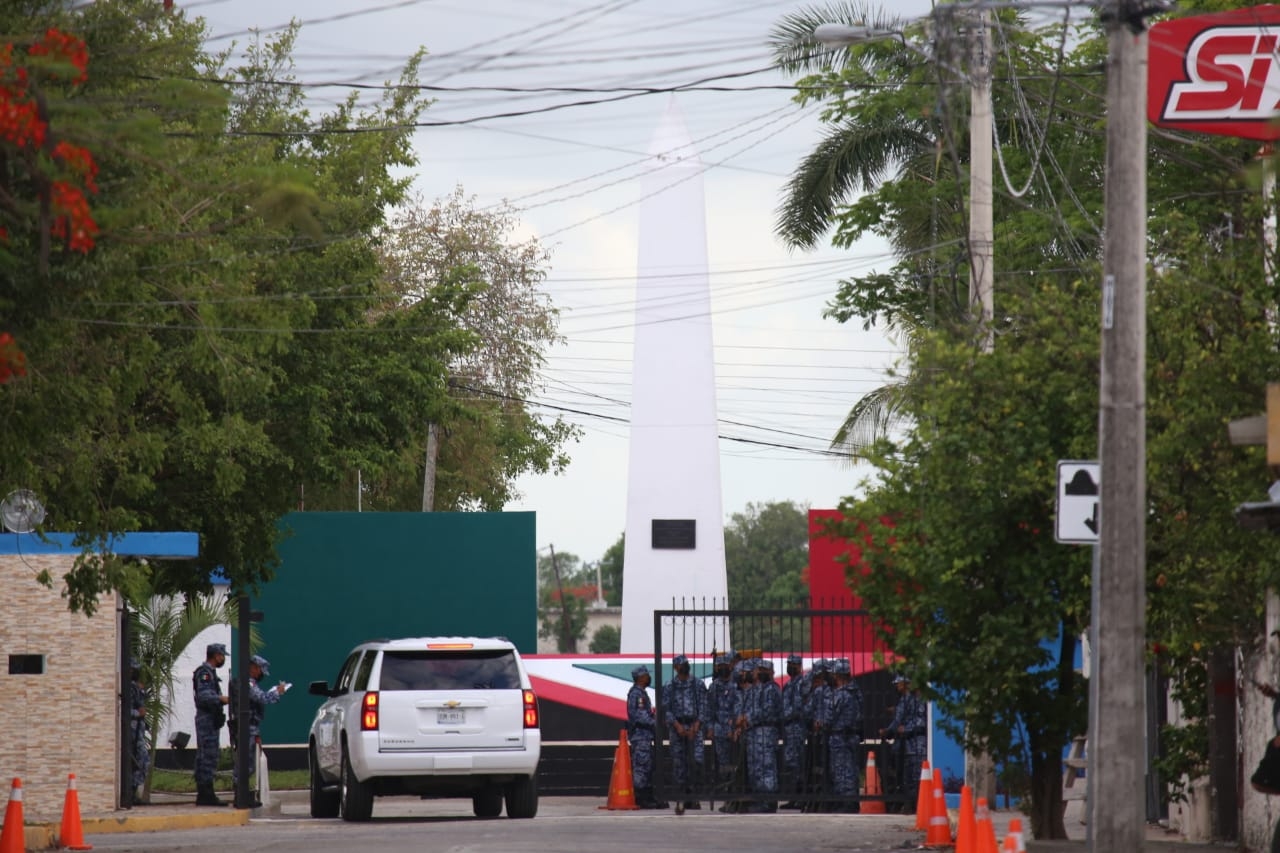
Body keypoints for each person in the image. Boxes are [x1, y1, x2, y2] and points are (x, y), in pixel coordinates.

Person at [229, 654, 288, 807]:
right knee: (246, 763)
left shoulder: (248, 682)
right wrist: (278, 692)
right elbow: (262, 698)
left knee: (249, 763)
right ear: (254, 668)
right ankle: (240, 796)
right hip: (247, 727)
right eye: (260, 671)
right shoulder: (248, 683)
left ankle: (242, 795)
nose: (261, 674)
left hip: (250, 727)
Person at [662, 654, 705, 810]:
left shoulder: (698, 684)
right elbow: (666, 709)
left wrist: (696, 725)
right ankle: (681, 796)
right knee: (679, 763)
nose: (685, 666)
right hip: (677, 728)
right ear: (675, 668)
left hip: (695, 726)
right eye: (681, 664)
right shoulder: (669, 686)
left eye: (686, 663)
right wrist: (677, 725)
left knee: (696, 762)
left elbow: (703, 705)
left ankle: (693, 796)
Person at [880, 673, 927, 814]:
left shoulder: (915, 699)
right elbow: (898, 720)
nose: (896, 685)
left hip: (916, 743)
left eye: (899, 683)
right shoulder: (905, 700)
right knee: (907, 776)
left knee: (915, 775)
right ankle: (909, 803)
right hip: (907, 744)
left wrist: (898, 729)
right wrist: (890, 730)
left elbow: (920, 720)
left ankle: (916, 804)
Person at [741, 658, 782, 813]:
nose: (758, 673)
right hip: (754, 733)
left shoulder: (771, 689)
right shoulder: (756, 689)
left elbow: (768, 710)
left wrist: (747, 718)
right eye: (758, 670)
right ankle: (759, 798)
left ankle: (769, 800)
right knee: (756, 768)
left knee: (766, 767)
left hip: (765, 731)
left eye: (762, 670)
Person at [192, 642, 230, 806]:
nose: (223, 659)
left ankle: (206, 793)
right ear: (216, 656)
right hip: (206, 719)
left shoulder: (211, 673)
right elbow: (203, 696)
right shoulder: (204, 673)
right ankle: (206, 794)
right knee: (207, 756)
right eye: (222, 656)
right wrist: (221, 699)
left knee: (209, 756)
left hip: (211, 720)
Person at [627, 665, 667, 809]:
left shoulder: (641, 693)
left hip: (645, 736)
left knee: (648, 765)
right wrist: (655, 722)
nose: (648, 678)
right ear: (641, 677)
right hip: (641, 736)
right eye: (646, 676)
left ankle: (648, 796)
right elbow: (640, 715)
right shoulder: (637, 694)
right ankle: (640, 797)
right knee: (642, 766)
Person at [827, 658, 864, 813]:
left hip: (840, 736)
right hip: (852, 735)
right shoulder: (856, 692)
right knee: (850, 768)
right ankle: (849, 799)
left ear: (837, 675)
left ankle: (846, 801)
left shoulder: (841, 695)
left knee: (842, 769)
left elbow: (829, 716)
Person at [779, 654, 807, 809]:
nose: (790, 667)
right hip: (789, 729)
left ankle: (801, 797)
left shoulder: (801, 684)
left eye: (792, 664)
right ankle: (794, 797)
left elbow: (798, 707)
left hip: (797, 727)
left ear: (799, 666)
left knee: (799, 764)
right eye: (788, 664)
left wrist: (785, 714)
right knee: (791, 764)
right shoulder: (789, 684)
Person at [130, 658, 151, 804]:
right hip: (132, 731)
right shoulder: (129, 688)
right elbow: (125, 709)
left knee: (141, 761)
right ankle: (131, 792)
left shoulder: (135, 687)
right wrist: (139, 713)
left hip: (138, 731)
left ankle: (134, 791)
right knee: (138, 760)